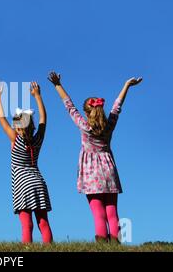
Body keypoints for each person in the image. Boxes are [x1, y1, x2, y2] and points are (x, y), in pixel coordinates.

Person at [48, 71, 142, 243]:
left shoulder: (84, 127)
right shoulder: (109, 126)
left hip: (91, 176)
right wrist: (126, 85)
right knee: (112, 212)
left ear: (86, 113)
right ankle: (116, 244)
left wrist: (57, 85)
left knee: (98, 213)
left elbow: (69, 106)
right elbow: (117, 107)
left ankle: (101, 245)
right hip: (109, 172)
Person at [0, 80, 53, 243]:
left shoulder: (15, 139)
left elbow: (0, 117)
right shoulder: (38, 139)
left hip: (22, 185)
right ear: (31, 126)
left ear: (17, 126)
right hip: (39, 183)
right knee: (43, 223)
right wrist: (38, 96)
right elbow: (43, 118)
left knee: (27, 225)